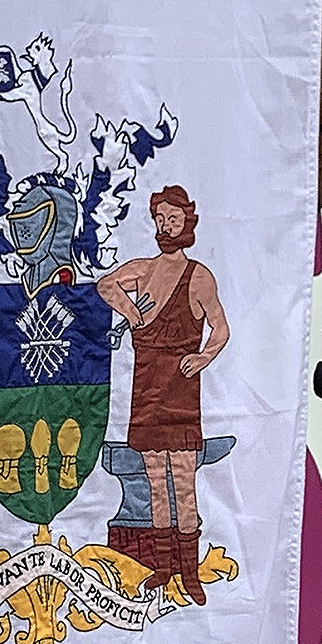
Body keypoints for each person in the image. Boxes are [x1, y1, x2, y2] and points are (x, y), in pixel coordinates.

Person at [96, 186, 229, 603]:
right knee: (156, 485)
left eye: (172, 219)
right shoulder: (144, 270)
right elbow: (105, 286)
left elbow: (221, 328)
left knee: (183, 484)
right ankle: (164, 567)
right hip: (147, 388)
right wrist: (133, 313)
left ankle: (189, 573)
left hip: (180, 393)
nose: (164, 226)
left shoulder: (199, 277)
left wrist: (204, 357)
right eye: (159, 219)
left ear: (187, 222)